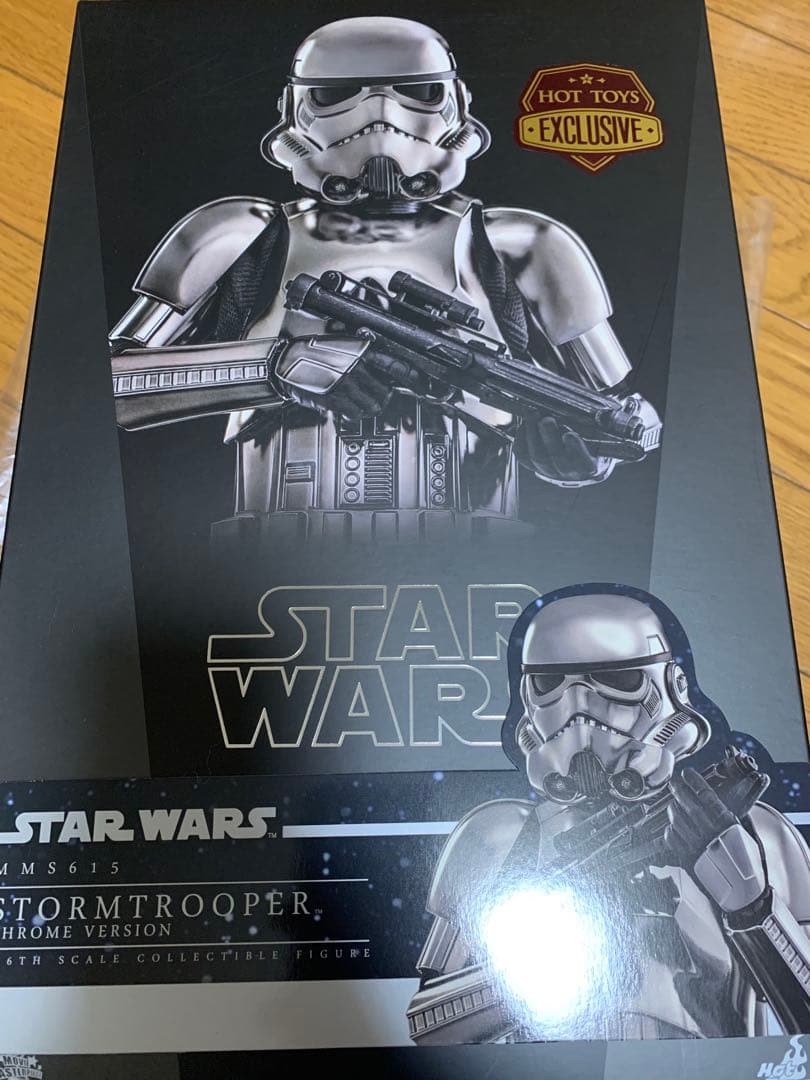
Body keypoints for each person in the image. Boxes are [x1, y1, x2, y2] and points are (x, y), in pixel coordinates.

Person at [110, 17, 659, 547]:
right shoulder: (242, 234)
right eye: (338, 94)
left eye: (416, 92)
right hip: (279, 551)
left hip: (472, 552)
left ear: (456, 102)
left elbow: (620, 410)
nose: (380, 115)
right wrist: (276, 368)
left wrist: (584, 459)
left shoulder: (520, 243)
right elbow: (111, 388)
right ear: (293, 110)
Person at [408, 591, 810, 1041]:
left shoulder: (758, 833)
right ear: (527, 696)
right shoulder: (499, 838)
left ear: (672, 688)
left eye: (617, 679)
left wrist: (752, 904)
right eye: (551, 683)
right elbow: (429, 1029)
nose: (578, 710)